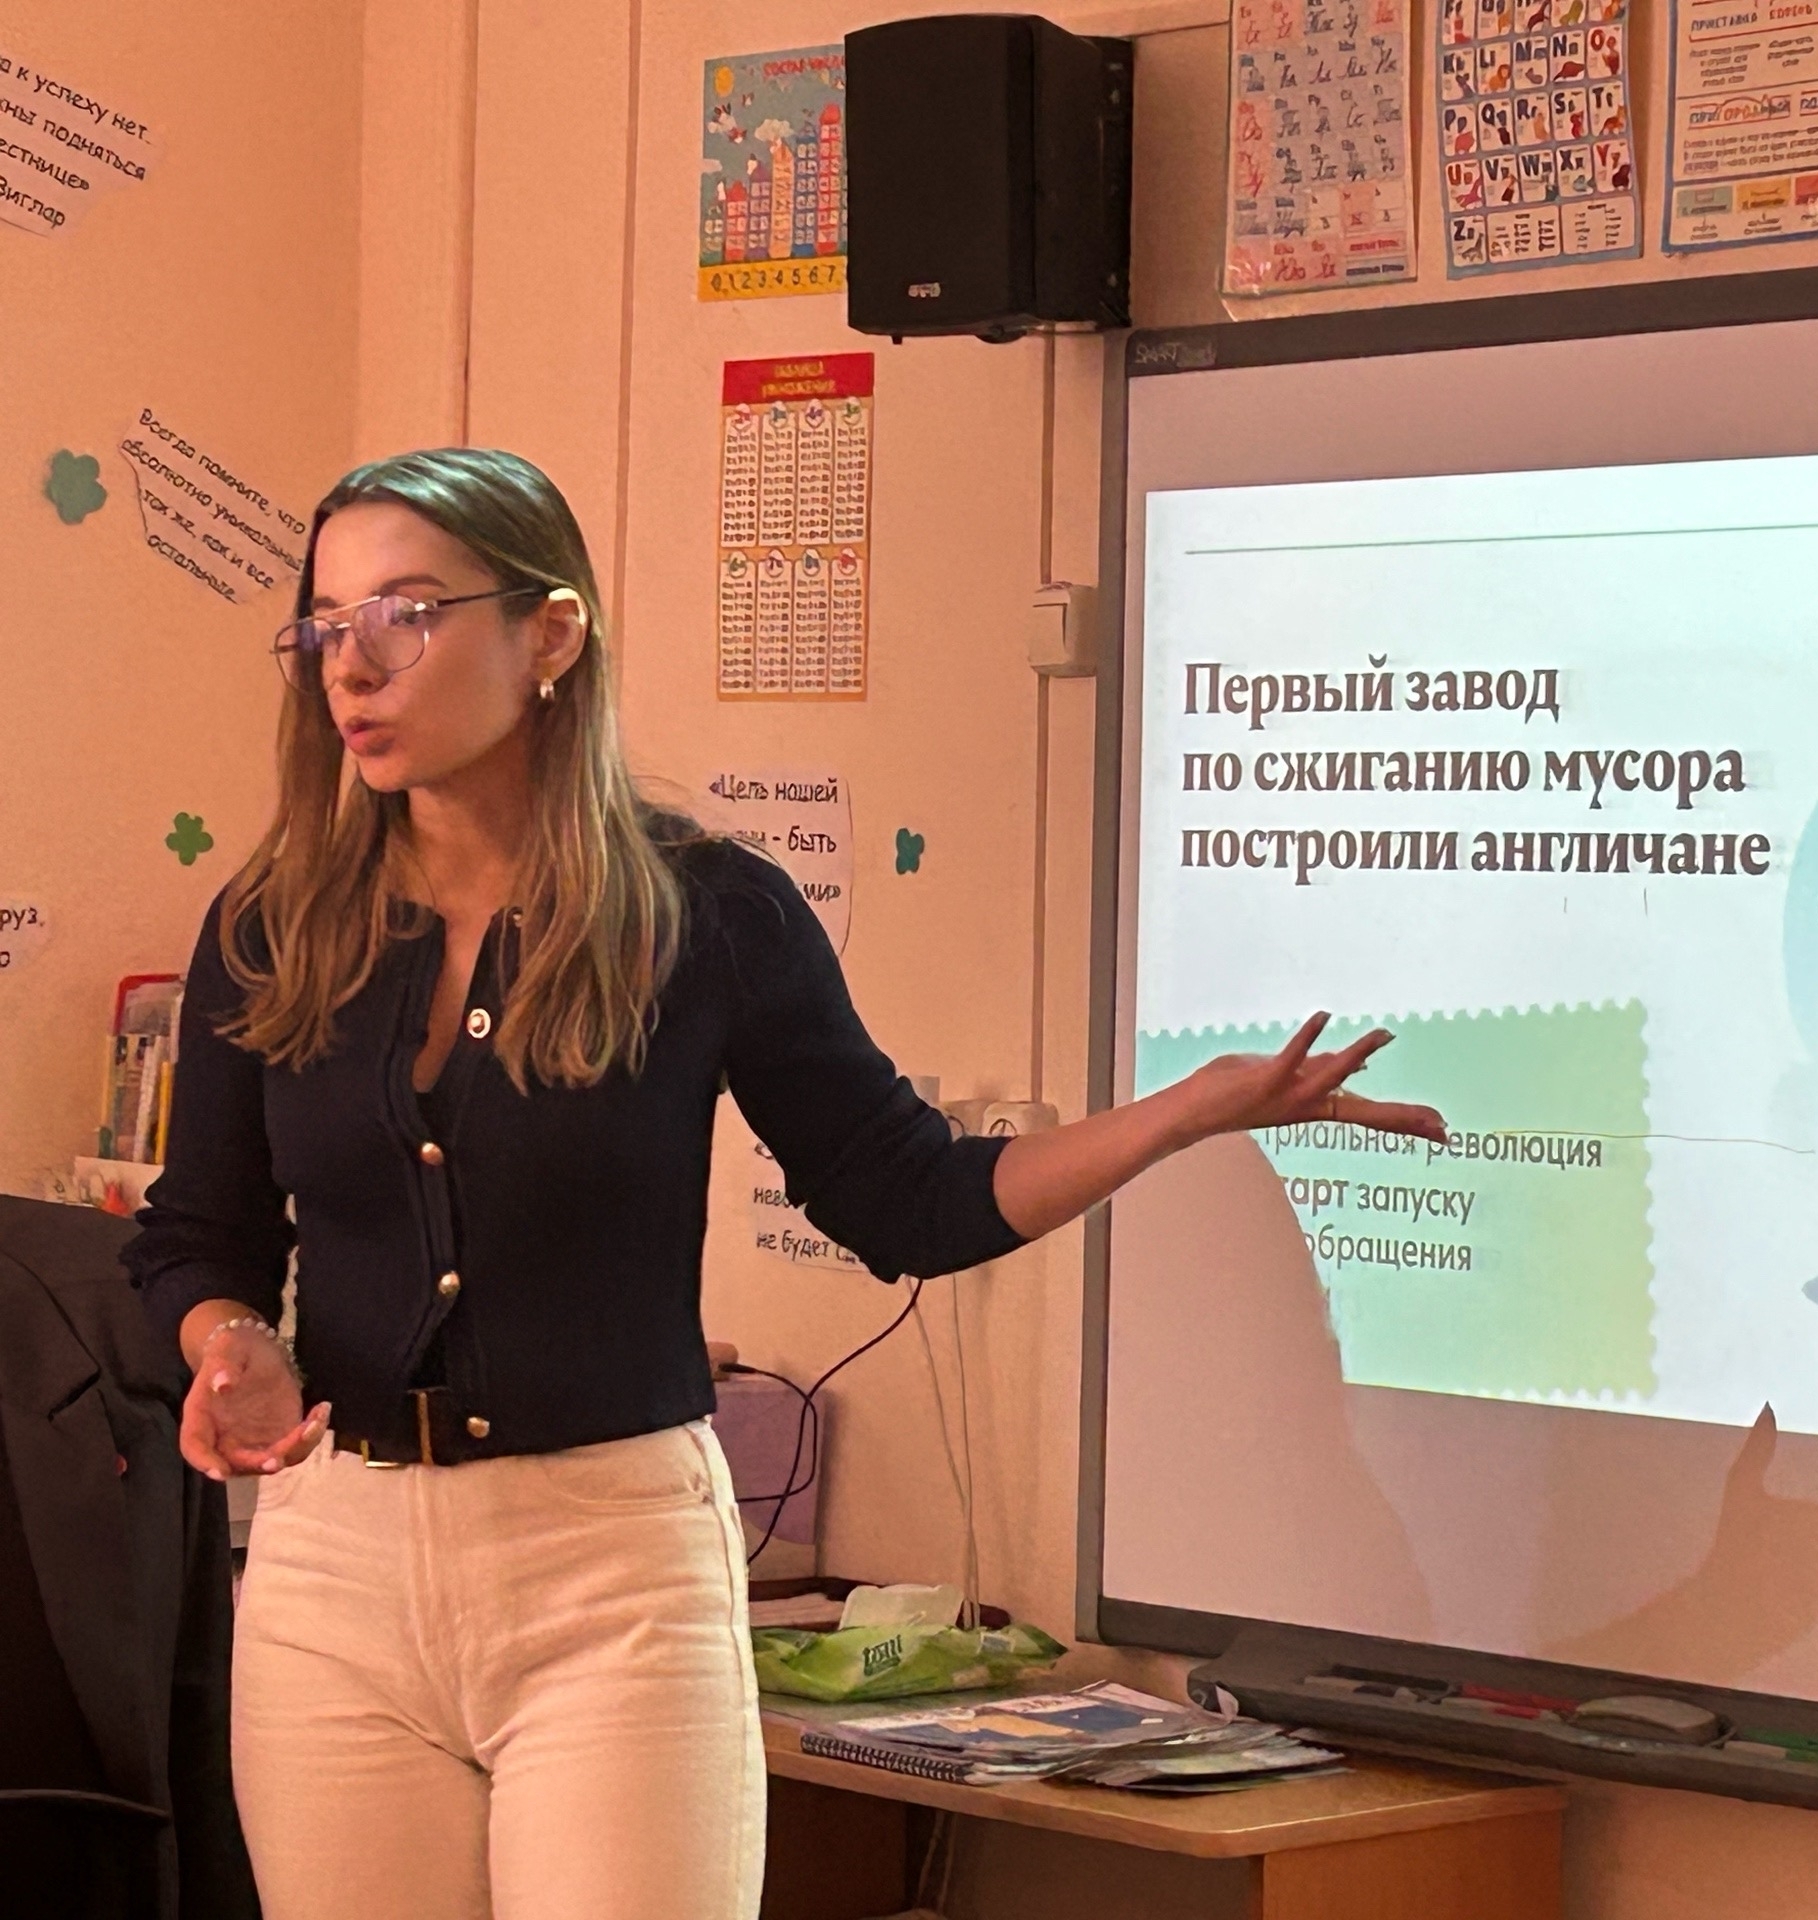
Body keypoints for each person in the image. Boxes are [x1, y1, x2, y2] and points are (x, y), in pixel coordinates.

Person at [123, 447, 1444, 1919]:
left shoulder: (707, 914)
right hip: (336, 1575)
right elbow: (199, 1234)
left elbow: (907, 1197)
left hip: (608, 1577)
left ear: (550, 634)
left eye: (406, 615)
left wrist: (1187, 1112)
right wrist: (227, 1342)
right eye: (324, 626)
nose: (352, 667)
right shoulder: (272, 922)